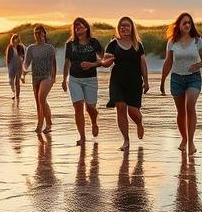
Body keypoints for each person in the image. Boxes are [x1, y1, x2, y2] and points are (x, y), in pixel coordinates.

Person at [159, 12, 202, 155]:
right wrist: (162, 81)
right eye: (184, 23)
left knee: (190, 105)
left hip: (193, 78)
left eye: (189, 23)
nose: (187, 25)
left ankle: (191, 142)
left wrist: (198, 65)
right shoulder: (172, 42)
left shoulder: (197, 40)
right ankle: (184, 138)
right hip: (176, 79)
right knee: (181, 111)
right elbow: (168, 62)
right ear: (179, 26)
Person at [102, 16, 149, 151]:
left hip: (134, 81)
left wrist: (146, 81)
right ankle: (126, 140)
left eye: (127, 25)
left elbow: (143, 64)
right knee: (120, 108)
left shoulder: (137, 45)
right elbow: (106, 61)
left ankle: (139, 123)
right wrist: (107, 61)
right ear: (118, 28)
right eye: (122, 26)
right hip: (117, 80)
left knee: (133, 111)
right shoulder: (113, 44)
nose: (124, 28)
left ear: (131, 28)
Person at [62, 17, 104, 146]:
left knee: (90, 108)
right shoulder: (70, 44)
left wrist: (92, 64)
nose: (77, 28)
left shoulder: (94, 42)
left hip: (91, 79)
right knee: (78, 107)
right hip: (74, 79)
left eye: (79, 26)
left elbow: (103, 60)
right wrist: (64, 79)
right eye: (75, 27)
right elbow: (67, 62)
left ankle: (94, 122)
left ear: (86, 27)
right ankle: (82, 137)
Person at [23, 24, 56, 134]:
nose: (37, 35)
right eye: (35, 33)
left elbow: (54, 63)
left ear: (44, 34)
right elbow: (26, 63)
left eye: (39, 32)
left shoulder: (49, 48)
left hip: (47, 77)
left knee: (41, 97)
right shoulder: (31, 48)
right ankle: (40, 124)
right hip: (35, 77)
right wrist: (24, 70)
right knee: (39, 102)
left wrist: (54, 77)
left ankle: (48, 123)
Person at [6, 33, 25, 101]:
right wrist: (8, 65)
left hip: (19, 65)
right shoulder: (10, 47)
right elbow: (8, 57)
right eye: (15, 38)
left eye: (17, 38)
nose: (16, 40)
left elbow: (23, 56)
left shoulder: (21, 47)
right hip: (11, 65)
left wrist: (22, 59)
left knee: (17, 82)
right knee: (11, 81)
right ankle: (13, 92)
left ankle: (17, 96)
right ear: (13, 39)